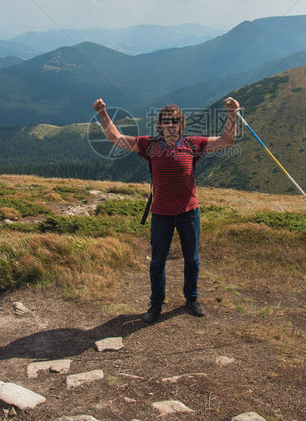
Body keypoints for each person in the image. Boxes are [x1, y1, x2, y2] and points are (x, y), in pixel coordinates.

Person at [93, 97, 240, 324]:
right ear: (160, 125)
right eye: (165, 121)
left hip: (189, 211)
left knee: (191, 259)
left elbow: (227, 140)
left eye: (174, 120)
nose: (170, 124)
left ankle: (191, 300)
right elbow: (115, 138)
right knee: (157, 261)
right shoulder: (149, 145)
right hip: (161, 213)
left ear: (181, 124)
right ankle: (156, 304)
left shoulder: (193, 144)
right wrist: (102, 112)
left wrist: (233, 114)